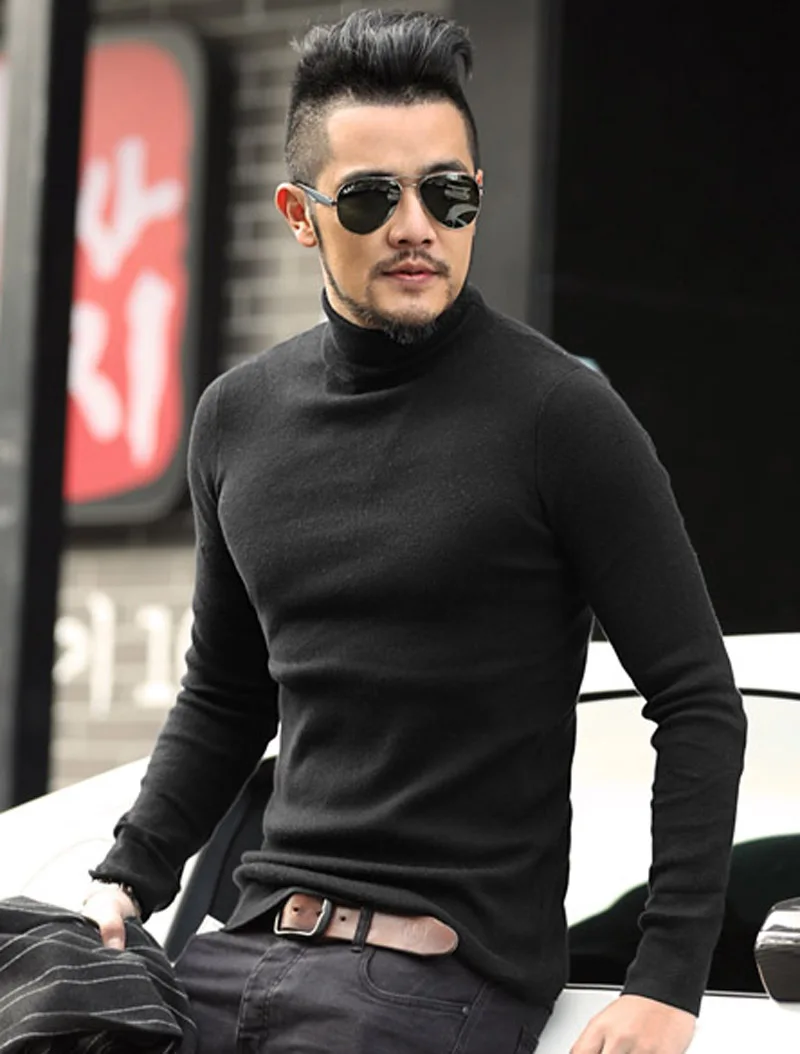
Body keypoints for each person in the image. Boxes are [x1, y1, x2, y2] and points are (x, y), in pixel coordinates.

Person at [81, 10, 747, 1054]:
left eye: (446, 194)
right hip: (237, 950)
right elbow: (226, 695)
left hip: (430, 985)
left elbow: (697, 698)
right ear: (300, 216)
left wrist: (667, 980)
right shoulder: (236, 418)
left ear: (477, 196)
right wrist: (128, 877)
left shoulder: (560, 416)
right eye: (370, 197)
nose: (415, 226)